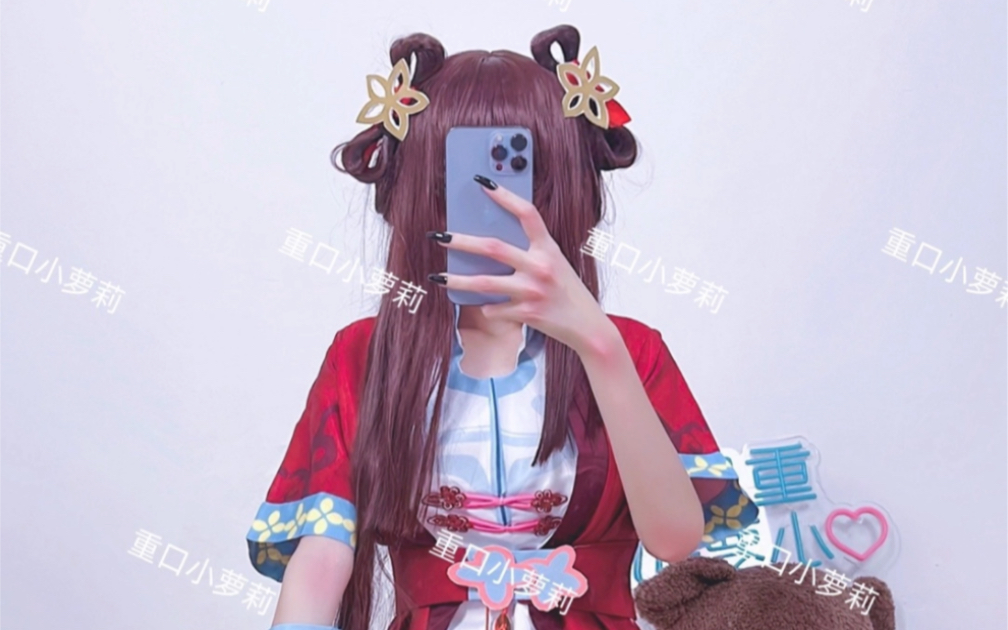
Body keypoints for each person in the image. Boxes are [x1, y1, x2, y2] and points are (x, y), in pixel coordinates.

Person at [245, 23, 755, 630]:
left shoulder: (630, 349)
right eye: (460, 182)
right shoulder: (364, 355)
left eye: (520, 178)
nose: (492, 207)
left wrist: (598, 344)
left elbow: (673, 539)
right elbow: (322, 559)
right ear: (414, 191)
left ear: (570, 188)